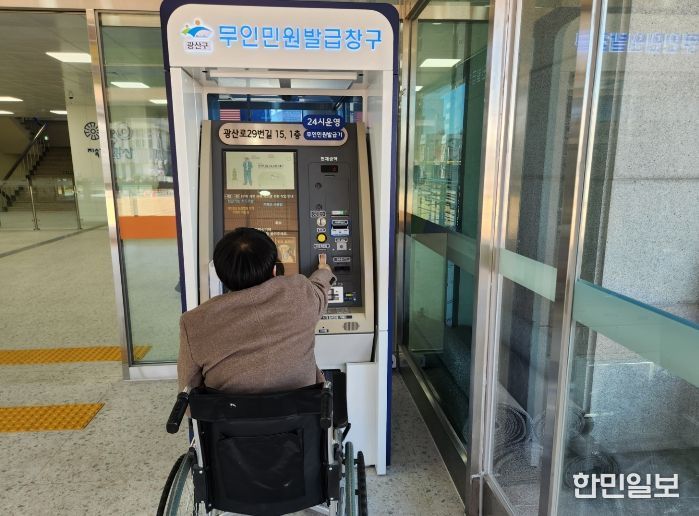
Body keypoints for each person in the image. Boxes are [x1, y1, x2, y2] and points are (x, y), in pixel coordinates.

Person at [177, 227, 335, 394]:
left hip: (231, 411)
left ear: (220, 274)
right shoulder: (301, 294)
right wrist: (324, 270)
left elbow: (188, 394)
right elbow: (320, 286)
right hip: (303, 410)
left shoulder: (193, 323)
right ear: (274, 270)